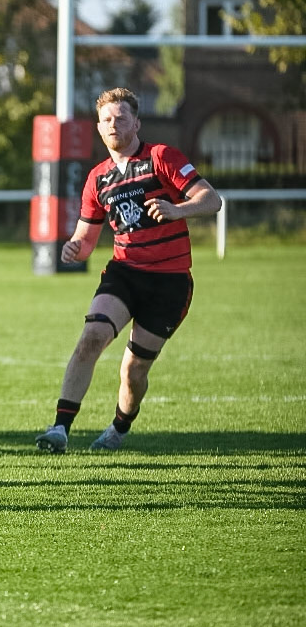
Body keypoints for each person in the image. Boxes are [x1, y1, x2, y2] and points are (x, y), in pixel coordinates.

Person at [36, 87, 222, 454]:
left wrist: (177, 210)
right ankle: (60, 429)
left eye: (121, 117)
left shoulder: (160, 157)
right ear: (99, 127)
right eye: (106, 119)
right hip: (125, 273)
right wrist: (75, 248)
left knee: (133, 370)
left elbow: (211, 199)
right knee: (91, 338)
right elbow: (86, 237)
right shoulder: (98, 178)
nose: (113, 124)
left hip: (169, 282)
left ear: (136, 122)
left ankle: (119, 428)